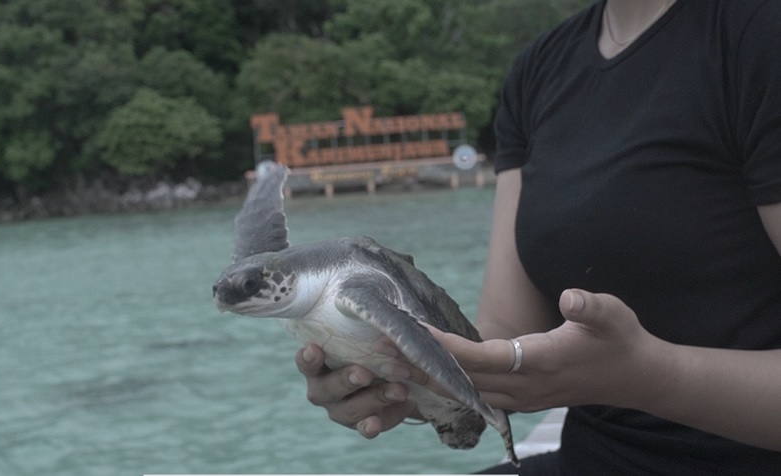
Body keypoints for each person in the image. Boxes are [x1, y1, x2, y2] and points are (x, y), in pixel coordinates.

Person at [294, 0, 781, 474]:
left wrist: (650, 377)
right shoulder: (538, 70)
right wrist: (405, 379)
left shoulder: (757, 33)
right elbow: (507, 338)